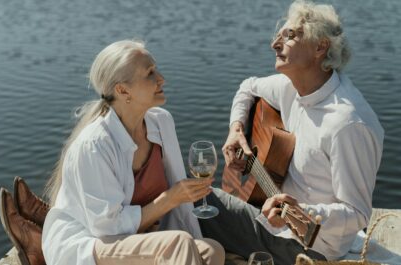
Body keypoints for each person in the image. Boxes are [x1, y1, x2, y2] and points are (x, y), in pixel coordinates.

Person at [197, 1, 384, 264]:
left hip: (311, 246)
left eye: (290, 36)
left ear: (320, 47)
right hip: (275, 218)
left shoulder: (347, 124)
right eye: (278, 36)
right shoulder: (292, 87)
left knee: (195, 198)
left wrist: (299, 211)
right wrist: (236, 129)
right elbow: (247, 87)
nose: (275, 44)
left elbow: (357, 214)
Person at [39, 40, 225, 265]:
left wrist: (179, 202)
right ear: (122, 90)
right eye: (150, 73)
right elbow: (106, 228)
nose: (161, 78)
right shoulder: (94, 145)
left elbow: (176, 200)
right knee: (178, 243)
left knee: (212, 250)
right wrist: (169, 199)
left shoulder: (161, 122)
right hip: (91, 244)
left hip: (138, 238)